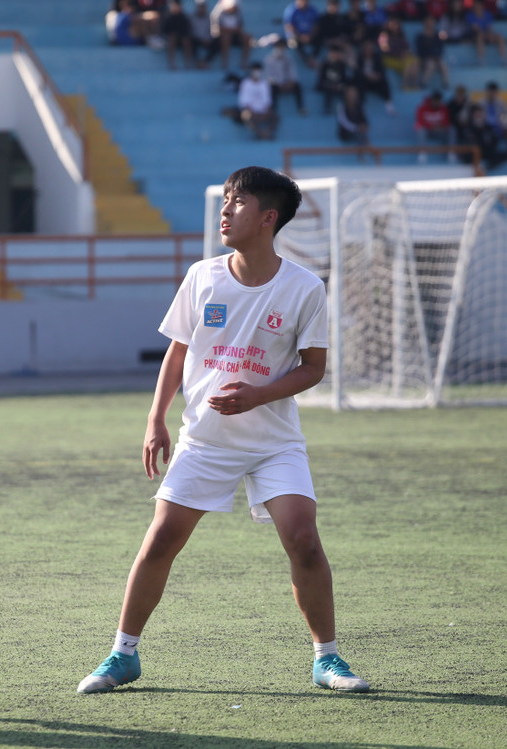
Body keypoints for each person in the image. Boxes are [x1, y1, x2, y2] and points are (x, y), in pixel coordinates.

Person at [75, 165, 370, 697]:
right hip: (205, 440)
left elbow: (313, 369)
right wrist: (156, 419)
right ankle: (123, 654)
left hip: (274, 444)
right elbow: (178, 351)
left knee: (304, 540)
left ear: (268, 217)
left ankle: (327, 659)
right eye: (226, 200)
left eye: (238, 202)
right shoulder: (202, 276)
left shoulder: (304, 288)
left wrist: (258, 394)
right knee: (160, 539)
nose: (225, 211)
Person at [265, 37, 307, 114]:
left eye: (282, 47)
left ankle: (301, 108)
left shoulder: (289, 59)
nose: (281, 49)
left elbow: (293, 73)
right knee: (271, 89)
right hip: (277, 85)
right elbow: (269, 76)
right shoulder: (269, 60)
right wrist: (279, 84)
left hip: (288, 84)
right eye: (279, 47)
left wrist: (290, 82)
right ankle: (273, 110)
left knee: (298, 86)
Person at [237, 62, 279, 139]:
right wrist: (251, 111)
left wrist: (266, 110)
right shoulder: (245, 83)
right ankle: (260, 133)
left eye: (258, 70)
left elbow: (267, 100)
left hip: (263, 111)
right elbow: (243, 101)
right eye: (255, 70)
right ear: (251, 71)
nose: (257, 73)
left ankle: (267, 132)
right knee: (245, 115)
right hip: (250, 111)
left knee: (276, 117)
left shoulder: (265, 84)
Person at [355, 38, 397, 114]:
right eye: (367, 48)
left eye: (370, 48)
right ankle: (361, 105)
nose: (368, 50)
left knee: (384, 82)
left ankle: (389, 104)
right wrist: (367, 75)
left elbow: (381, 70)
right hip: (364, 80)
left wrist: (376, 76)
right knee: (359, 81)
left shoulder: (377, 57)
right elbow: (358, 71)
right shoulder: (360, 57)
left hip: (375, 80)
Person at [378, 17, 420, 90]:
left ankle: (413, 84)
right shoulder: (383, 35)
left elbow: (406, 47)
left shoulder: (401, 35)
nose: (395, 26)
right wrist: (399, 54)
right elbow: (384, 50)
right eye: (393, 24)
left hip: (402, 57)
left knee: (415, 60)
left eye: (396, 24)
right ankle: (404, 84)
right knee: (408, 63)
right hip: (389, 58)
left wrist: (406, 52)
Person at [414, 90, 455, 162]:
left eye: (438, 101)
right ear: (431, 100)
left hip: (440, 131)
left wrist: (440, 127)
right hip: (428, 131)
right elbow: (420, 121)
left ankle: (451, 152)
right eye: (435, 101)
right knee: (420, 129)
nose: (436, 103)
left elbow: (447, 122)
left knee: (452, 129)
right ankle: (422, 153)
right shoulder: (422, 107)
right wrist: (433, 127)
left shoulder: (443, 108)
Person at [210, 0, 252, 70]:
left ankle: (244, 63)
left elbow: (239, 28)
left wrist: (230, 31)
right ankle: (224, 64)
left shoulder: (238, 13)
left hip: (235, 36)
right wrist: (230, 31)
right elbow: (219, 29)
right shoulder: (220, 14)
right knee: (226, 38)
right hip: (223, 37)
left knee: (247, 38)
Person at [415, 16, 449, 90]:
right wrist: (429, 56)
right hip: (425, 59)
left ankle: (445, 84)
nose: (430, 24)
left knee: (443, 64)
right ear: (425, 23)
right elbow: (420, 51)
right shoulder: (420, 37)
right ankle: (423, 83)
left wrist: (436, 56)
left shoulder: (437, 36)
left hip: (436, 58)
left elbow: (440, 48)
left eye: (432, 22)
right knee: (431, 65)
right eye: (428, 22)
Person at [315, 43, 351, 113]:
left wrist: (340, 85)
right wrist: (331, 84)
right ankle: (327, 108)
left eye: (335, 53)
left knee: (345, 90)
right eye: (331, 53)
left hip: (338, 85)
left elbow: (344, 78)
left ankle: (347, 109)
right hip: (326, 85)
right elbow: (321, 79)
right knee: (329, 90)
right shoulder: (324, 64)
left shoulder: (341, 65)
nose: (333, 55)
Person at [282, 0, 320, 66]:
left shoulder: (312, 10)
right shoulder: (292, 10)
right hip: (296, 36)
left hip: (309, 36)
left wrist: (309, 36)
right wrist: (300, 36)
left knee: (319, 41)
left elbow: (316, 25)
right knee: (294, 44)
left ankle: (313, 58)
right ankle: (306, 60)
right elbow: (289, 26)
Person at [163, 0, 196, 68]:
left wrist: (181, 34)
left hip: (182, 37)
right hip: (171, 38)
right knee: (172, 39)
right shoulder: (168, 17)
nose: (176, 8)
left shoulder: (184, 17)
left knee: (186, 41)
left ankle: (188, 63)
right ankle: (171, 64)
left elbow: (187, 29)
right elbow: (164, 30)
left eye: (177, 6)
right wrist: (172, 34)